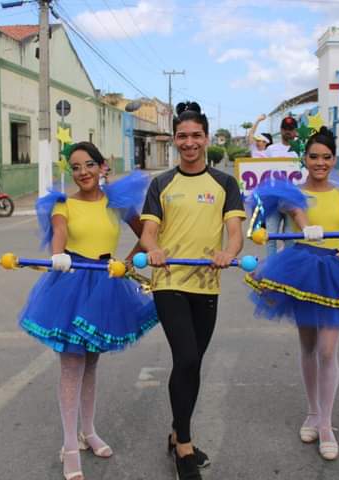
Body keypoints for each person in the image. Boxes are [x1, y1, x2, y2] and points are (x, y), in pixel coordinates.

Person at [17, 141, 157, 480]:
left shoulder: (118, 202)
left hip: (107, 282)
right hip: (73, 281)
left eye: (89, 165)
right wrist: (58, 256)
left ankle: (88, 432)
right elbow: (59, 233)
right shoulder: (63, 204)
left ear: (102, 165)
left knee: (91, 362)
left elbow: (148, 234)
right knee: (71, 365)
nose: (83, 172)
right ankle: (69, 446)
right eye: (76, 167)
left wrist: (128, 262)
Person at [245, 127, 339, 461]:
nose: (320, 163)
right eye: (314, 157)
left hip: (334, 270)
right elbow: (295, 212)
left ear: (334, 160)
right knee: (308, 346)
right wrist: (307, 228)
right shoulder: (292, 193)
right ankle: (312, 412)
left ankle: (326, 424)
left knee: (327, 349)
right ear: (304, 159)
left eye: (326, 157)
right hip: (301, 270)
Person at [139, 101, 245, 480]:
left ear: (206, 138)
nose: (189, 142)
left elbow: (235, 233)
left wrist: (228, 253)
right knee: (185, 358)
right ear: (174, 140)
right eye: (182, 136)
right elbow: (149, 232)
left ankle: (175, 431)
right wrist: (153, 249)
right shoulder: (161, 184)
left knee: (192, 364)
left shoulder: (225, 184)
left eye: (196, 135)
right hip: (169, 282)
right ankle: (184, 445)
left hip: (206, 284)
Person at [263, 115, 300, 255]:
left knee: (289, 238)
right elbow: (261, 171)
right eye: (285, 128)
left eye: (291, 129)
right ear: (281, 130)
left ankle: (288, 264)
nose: (288, 131)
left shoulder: (301, 149)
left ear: (295, 131)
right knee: (270, 237)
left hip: (292, 199)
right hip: (273, 199)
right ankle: (272, 265)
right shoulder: (271, 149)